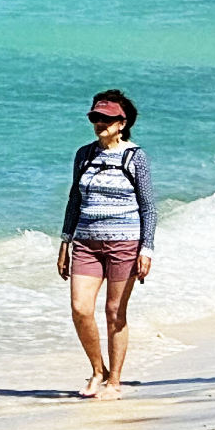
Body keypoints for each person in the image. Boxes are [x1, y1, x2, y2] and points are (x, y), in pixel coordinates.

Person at [57, 90, 154, 399]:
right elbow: (75, 198)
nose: (100, 123)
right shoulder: (83, 154)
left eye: (107, 119)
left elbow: (148, 206)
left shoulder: (134, 156)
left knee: (115, 312)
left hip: (124, 244)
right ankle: (98, 369)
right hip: (86, 243)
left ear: (122, 123)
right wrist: (64, 242)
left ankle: (115, 381)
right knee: (80, 308)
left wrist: (147, 249)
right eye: (96, 118)